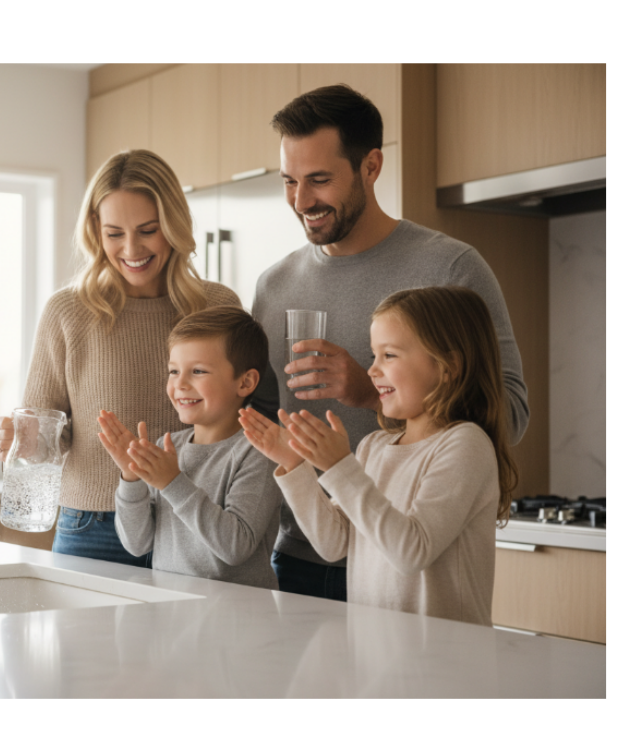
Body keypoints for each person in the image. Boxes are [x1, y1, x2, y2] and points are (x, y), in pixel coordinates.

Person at [253, 84, 530, 602]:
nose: (301, 200)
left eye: (319, 180)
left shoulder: (450, 267)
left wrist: (368, 391)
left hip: (409, 565)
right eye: (289, 181)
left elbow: (508, 410)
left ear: (371, 167)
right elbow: (264, 420)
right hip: (303, 550)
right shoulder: (274, 285)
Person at [0, 150, 241, 567]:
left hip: (195, 519)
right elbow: (46, 435)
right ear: (95, 231)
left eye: (148, 230)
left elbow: (246, 421)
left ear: (174, 226)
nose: (131, 249)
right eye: (114, 233)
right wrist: (21, 440)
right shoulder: (68, 311)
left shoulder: (217, 307)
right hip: (95, 526)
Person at [241, 287, 518, 626]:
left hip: (444, 666)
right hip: (376, 657)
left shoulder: (465, 445)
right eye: (374, 356)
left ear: (448, 366)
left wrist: (340, 467)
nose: (372, 371)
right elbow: (333, 544)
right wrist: (296, 465)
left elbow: (411, 551)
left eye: (389, 355)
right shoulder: (374, 446)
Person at [98, 306, 280, 589]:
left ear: (245, 382)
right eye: (173, 371)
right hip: (172, 616)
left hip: (239, 621)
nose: (180, 384)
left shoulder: (259, 453)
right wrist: (131, 476)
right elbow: (137, 544)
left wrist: (172, 482)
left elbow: (235, 547)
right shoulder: (168, 449)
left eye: (198, 371)